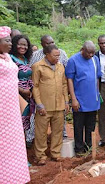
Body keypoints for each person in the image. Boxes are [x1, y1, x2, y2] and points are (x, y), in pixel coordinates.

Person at [0, 26, 30, 183]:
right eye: (7, 41)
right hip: (1, 108)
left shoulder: (7, 57)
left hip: (11, 108)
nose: (10, 43)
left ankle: (15, 175)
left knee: (15, 140)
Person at [32, 44, 69, 165]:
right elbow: (35, 87)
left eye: (59, 55)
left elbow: (64, 84)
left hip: (59, 105)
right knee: (41, 132)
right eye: (55, 55)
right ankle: (41, 155)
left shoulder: (60, 67)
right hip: (44, 106)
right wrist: (39, 104)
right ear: (47, 55)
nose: (58, 57)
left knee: (58, 131)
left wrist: (66, 101)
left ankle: (55, 153)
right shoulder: (38, 67)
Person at [65, 41, 101, 156]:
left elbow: (97, 78)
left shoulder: (95, 59)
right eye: (88, 53)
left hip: (92, 99)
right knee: (79, 125)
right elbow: (69, 79)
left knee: (90, 125)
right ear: (82, 50)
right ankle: (79, 149)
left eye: (92, 53)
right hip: (79, 99)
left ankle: (89, 148)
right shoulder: (73, 60)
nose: (91, 55)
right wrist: (73, 99)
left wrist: (97, 93)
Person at [9, 35, 35, 146]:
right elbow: (8, 78)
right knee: (15, 125)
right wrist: (22, 90)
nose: (22, 47)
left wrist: (29, 91)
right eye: (20, 44)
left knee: (24, 124)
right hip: (15, 95)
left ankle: (22, 153)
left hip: (27, 96)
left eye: (25, 45)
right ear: (14, 45)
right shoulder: (10, 58)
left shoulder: (25, 59)